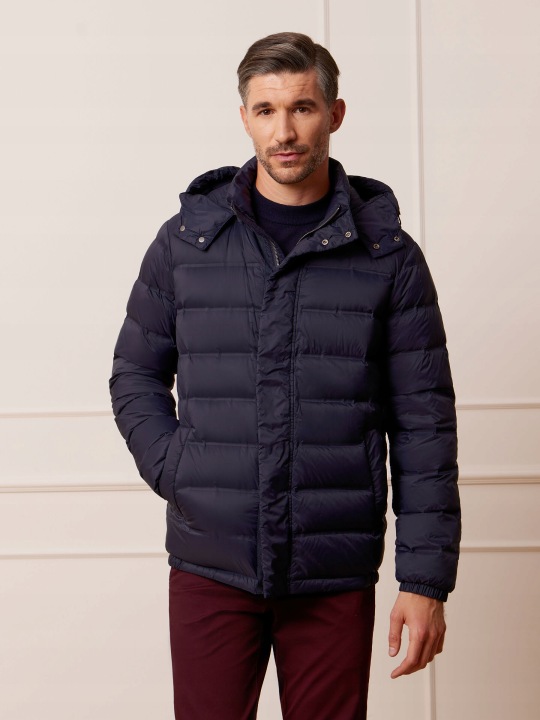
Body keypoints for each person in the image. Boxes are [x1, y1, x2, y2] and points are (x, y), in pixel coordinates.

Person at [109, 31, 461, 720]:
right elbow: (134, 375)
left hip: (333, 570)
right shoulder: (186, 244)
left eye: (302, 107)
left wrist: (425, 581)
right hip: (211, 565)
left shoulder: (388, 258)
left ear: (335, 114)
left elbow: (425, 426)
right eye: (266, 110)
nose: (285, 131)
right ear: (244, 117)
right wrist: (182, 472)